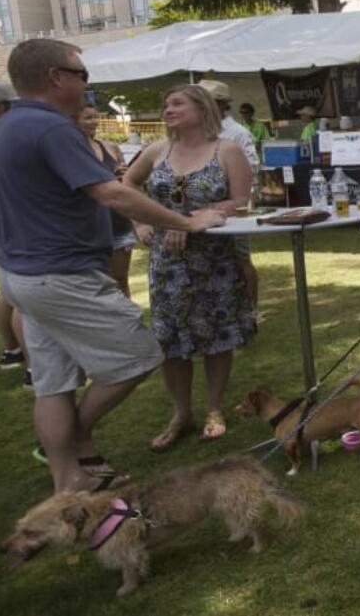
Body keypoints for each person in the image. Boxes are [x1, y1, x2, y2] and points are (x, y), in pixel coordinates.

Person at [0, 39, 226, 492]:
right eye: (82, 75)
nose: (87, 85)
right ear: (55, 78)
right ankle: (81, 435)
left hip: (21, 275)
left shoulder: (6, 126)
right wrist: (186, 222)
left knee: (52, 382)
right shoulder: (52, 128)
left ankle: (70, 482)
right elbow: (112, 193)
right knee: (139, 355)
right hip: (62, 274)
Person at [124, 84, 256, 451]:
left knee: (216, 333)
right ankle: (181, 413)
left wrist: (200, 215)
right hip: (168, 262)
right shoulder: (156, 151)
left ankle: (214, 408)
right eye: (166, 103)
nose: (168, 109)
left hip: (213, 258)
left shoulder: (226, 150)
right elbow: (128, 185)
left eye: (177, 103)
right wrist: (141, 222)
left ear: (202, 109)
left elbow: (241, 199)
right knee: (171, 339)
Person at [198, 80, 262, 318]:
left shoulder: (237, 133)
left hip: (232, 208)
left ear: (220, 105)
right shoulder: (197, 132)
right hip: (201, 210)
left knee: (240, 258)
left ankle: (251, 311)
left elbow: (252, 167)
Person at [77, 105, 136, 297]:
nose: (94, 122)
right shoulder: (71, 151)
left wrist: (125, 175)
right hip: (88, 229)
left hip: (118, 223)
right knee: (96, 284)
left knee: (120, 279)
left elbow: (126, 184)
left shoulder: (110, 147)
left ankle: (127, 323)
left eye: (95, 117)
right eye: (87, 118)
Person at [0, 80, 27, 378]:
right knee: (21, 298)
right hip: (16, 230)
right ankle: (33, 367)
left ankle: (12, 350)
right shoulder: (7, 137)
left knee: (9, 292)